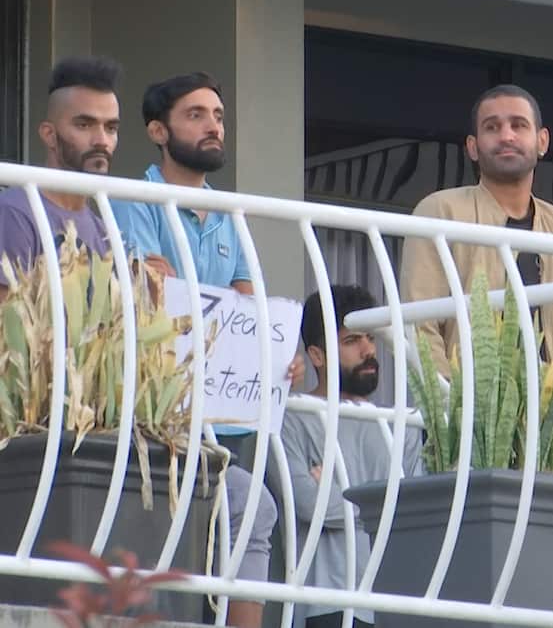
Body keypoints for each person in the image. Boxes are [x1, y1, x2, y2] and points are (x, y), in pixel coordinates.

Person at [110, 72, 286, 628]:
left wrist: (282, 355)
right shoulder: (134, 201)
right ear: (158, 131)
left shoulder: (228, 211)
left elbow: (244, 307)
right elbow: (147, 294)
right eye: (196, 115)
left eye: (218, 115)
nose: (213, 125)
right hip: (147, 416)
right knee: (231, 509)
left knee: (252, 508)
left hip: (211, 419)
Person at [398, 84, 553, 449]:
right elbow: (419, 326)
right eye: (492, 127)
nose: (506, 135)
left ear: (542, 141)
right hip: (463, 427)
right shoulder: (441, 212)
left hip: (551, 430)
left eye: (518, 125)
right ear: (473, 147)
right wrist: (450, 411)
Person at [272, 285, 423, 628]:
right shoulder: (292, 416)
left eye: (370, 338)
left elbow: (413, 515)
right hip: (324, 603)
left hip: (394, 602)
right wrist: (382, 500)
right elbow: (309, 504)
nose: (368, 350)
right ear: (317, 355)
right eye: (351, 341)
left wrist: (340, 489)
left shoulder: (402, 425)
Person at [0, 56, 119, 302]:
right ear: (49, 135)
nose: (102, 140)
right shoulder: (12, 213)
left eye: (111, 128)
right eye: (84, 125)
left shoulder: (102, 227)